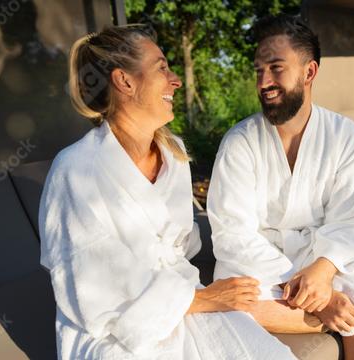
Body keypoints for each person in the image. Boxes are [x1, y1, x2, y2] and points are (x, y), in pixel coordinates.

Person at [39, 24, 296, 359]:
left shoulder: (173, 153)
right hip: (115, 332)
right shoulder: (75, 170)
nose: (175, 79)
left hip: (184, 296)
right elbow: (93, 287)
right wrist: (203, 300)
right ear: (125, 81)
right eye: (162, 68)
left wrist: (201, 296)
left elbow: (181, 245)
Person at [207, 15, 354, 360]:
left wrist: (322, 272)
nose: (264, 81)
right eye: (258, 70)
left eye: (276, 68)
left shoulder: (346, 137)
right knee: (233, 308)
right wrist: (318, 297)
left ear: (309, 72)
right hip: (258, 265)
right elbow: (232, 234)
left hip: (328, 258)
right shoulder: (239, 143)